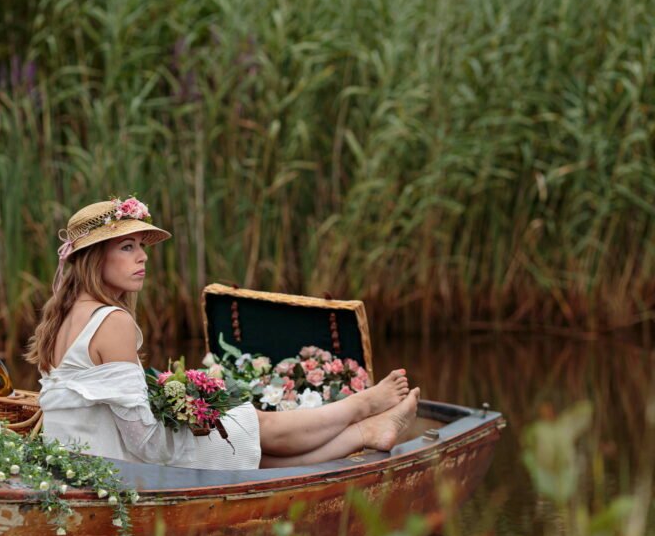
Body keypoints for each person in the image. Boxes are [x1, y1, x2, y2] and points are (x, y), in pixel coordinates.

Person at [26, 198, 420, 470]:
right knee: (251, 425)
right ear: (95, 258)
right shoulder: (113, 321)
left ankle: (367, 430)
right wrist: (195, 422)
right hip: (121, 467)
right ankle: (363, 407)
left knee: (251, 446)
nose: (143, 256)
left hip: (86, 460)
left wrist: (190, 412)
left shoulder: (63, 318)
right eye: (127, 247)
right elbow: (144, 442)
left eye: (141, 246)